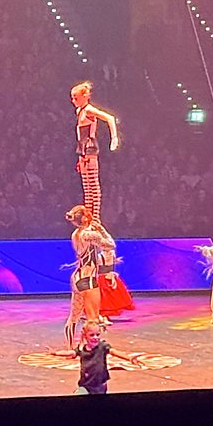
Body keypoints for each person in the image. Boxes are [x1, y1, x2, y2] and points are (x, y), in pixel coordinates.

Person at [66, 205, 134, 325]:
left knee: (79, 319)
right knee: (93, 319)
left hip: (80, 275)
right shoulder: (89, 235)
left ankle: (80, 340)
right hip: (90, 278)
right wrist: (101, 230)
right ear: (85, 218)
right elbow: (111, 245)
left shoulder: (76, 234)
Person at [70, 81, 120, 223]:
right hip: (82, 149)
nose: (74, 101)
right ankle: (89, 218)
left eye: (76, 98)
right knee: (87, 187)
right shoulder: (80, 111)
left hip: (90, 147)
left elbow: (109, 118)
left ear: (85, 96)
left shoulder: (89, 110)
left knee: (93, 185)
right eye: (73, 98)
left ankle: (95, 218)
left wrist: (114, 137)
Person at [74, 321, 138, 395]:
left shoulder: (103, 346)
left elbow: (113, 352)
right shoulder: (82, 348)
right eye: (92, 335)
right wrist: (57, 353)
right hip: (86, 384)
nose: (95, 337)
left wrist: (129, 358)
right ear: (85, 336)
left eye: (97, 335)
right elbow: (71, 353)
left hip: (100, 384)